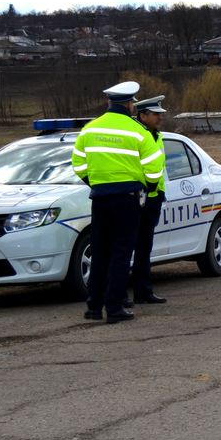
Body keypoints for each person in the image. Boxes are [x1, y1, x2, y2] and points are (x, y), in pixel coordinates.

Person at [71, 81, 165, 324]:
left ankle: (93, 306)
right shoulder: (138, 131)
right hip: (128, 197)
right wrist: (150, 187)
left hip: (100, 197)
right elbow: (154, 167)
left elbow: (78, 163)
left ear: (108, 102)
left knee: (101, 251)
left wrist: (95, 183)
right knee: (122, 252)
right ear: (130, 104)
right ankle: (114, 308)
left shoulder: (90, 129)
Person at [127, 95, 168, 306]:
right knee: (127, 246)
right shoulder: (137, 136)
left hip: (153, 198)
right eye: (155, 114)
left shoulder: (155, 135)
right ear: (142, 115)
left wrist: (158, 192)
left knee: (144, 246)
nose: (159, 118)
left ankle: (143, 291)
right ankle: (123, 293)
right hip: (137, 198)